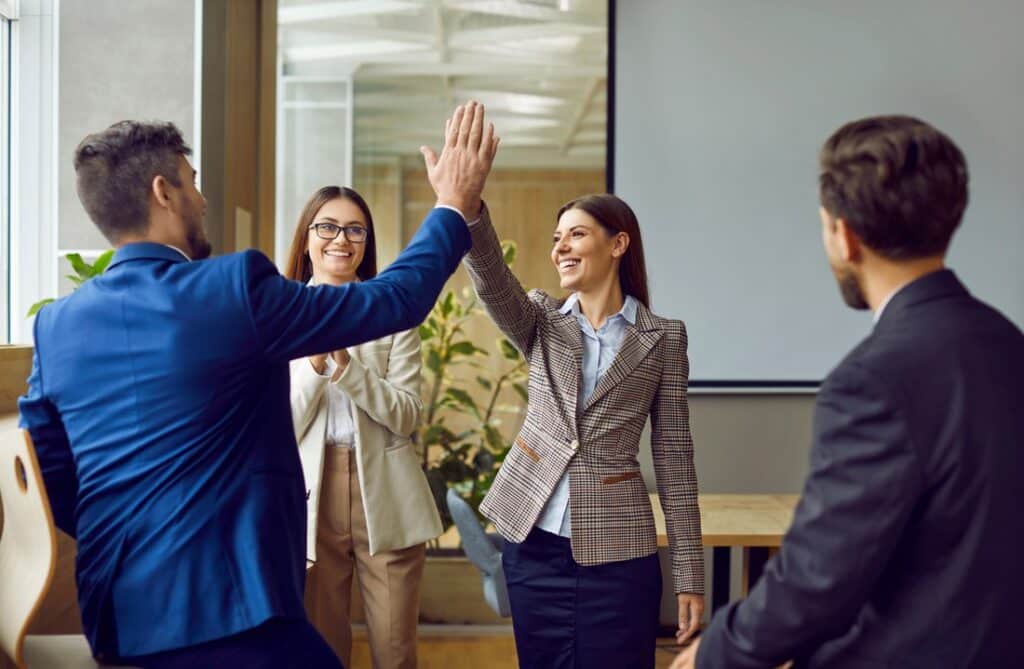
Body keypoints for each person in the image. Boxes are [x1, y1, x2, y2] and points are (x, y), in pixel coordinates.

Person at [18, 102, 498, 668]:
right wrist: (452, 204)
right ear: (163, 192)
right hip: (233, 612)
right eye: (193, 183)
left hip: (117, 617)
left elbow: (49, 471)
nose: (202, 199)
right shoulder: (232, 289)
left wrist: (133, 533)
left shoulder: (56, 325)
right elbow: (395, 299)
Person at [671, 115, 1024, 669]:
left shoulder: (872, 380)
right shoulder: (1009, 343)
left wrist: (712, 653)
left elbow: (818, 580)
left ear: (845, 235)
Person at [430, 173, 704, 666]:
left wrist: (689, 575)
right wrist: (468, 207)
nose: (561, 248)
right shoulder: (540, 320)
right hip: (532, 542)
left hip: (619, 551)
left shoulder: (664, 339)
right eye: (557, 238)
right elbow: (492, 278)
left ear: (618, 243)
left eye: (576, 234)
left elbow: (675, 463)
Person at [284, 185, 442, 668]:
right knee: (322, 650)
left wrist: (350, 371)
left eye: (355, 229)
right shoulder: (281, 314)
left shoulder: (391, 313)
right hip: (309, 495)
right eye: (327, 227)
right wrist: (314, 367)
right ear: (307, 237)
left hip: (386, 493)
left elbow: (408, 416)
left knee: (395, 651)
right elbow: (278, 427)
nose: (341, 239)